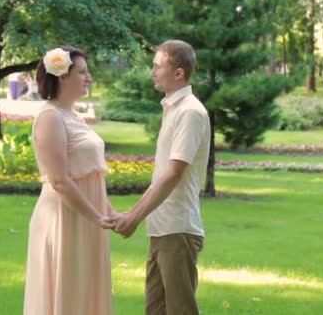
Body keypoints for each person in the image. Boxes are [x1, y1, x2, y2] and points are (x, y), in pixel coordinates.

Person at [109, 40, 211, 315]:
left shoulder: (190, 112)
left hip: (177, 229)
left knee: (180, 310)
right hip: (162, 228)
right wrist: (131, 214)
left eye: (157, 66)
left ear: (178, 73)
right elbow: (161, 177)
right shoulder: (173, 109)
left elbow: (173, 175)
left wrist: (133, 218)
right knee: (155, 310)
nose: (152, 72)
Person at [23, 46, 118, 315]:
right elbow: (60, 181)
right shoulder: (50, 117)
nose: (88, 78)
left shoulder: (73, 115)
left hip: (86, 218)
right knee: (69, 294)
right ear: (62, 76)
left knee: (85, 293)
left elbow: (88, 172)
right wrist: (96, 216)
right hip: (65, 219)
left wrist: (108, 212)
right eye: (82, 72)